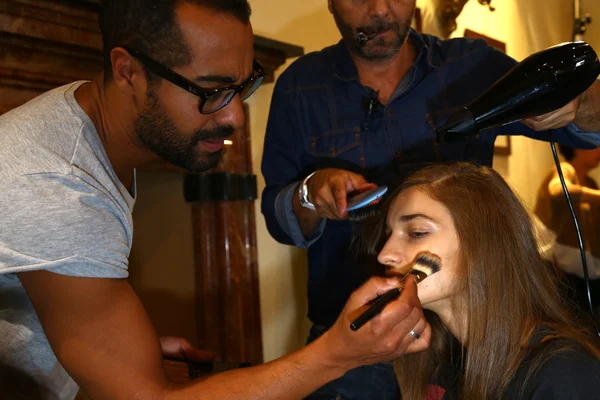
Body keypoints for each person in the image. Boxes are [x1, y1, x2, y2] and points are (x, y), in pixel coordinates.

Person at [0, 1, 432, 399]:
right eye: (211, 91)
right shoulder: (58, 184)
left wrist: (123, 351)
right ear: (127, 71)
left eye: (243, 87)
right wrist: (339, 353)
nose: (234, 117)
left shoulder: (80, 122)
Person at [260, 0, 600, 397]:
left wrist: (580, 103)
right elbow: (277, 217)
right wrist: (309, 193)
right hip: (354, 334)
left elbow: (584, 130)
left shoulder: (472, 67)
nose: (380, 10)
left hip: (461, 339)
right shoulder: (300, 88)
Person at [363, 162, 600, 399]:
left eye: (416, 232)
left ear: (484, 245)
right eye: (388, 234)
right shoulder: (433, 358)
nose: (385, 254)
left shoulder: (562, 373)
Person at [534, 145, 600, 320]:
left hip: (586, 278)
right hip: (563, 278)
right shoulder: (565, 169)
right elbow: (558, 190)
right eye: (595, 145)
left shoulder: (591, 183)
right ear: (578, 146)